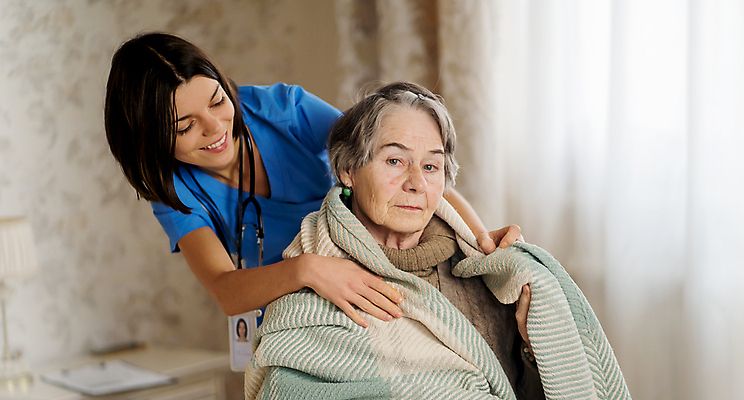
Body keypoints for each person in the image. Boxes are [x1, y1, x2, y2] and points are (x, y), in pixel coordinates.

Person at [103, 32, 524, 329]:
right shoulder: (176, 191)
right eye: (185, 126)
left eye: (218, 101)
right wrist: (309, 270)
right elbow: (226, 291)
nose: (215, 128)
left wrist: (481, 241)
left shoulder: (280, 109)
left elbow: (401, 165)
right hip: (302, 308)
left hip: (381, 267)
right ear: (150, 140)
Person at [245, 82, 543, 399]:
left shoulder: (489, 275)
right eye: (395, 161)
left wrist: (532, 348)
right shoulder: (316, 286)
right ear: (348, 170)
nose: (416, 183)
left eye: (431, 166)